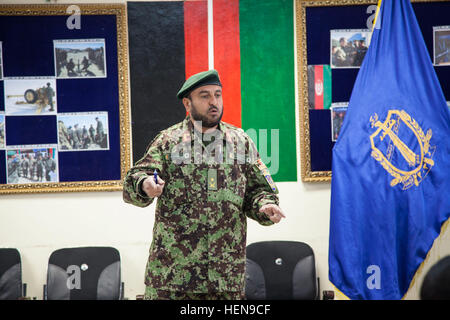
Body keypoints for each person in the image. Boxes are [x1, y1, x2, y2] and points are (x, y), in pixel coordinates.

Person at [123, 69, 285, 300]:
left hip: (225, 278)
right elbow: (135, 180)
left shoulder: (240, 142)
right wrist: (145, 185)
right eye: (204, 95)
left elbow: (259, 190)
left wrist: (265, 207)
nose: (213, 102)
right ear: (187, 103)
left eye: (217, 95)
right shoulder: (168, 141)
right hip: (173, 277)